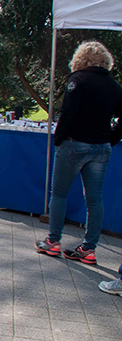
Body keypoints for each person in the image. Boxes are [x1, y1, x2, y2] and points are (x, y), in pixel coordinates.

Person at [35, 41, 122, 265]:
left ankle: (53, 241)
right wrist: (111, 138)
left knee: (59, 193)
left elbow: (68, 113)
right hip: (101, 146)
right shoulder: (114, 85)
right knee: (94, 199)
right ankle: (88, 248)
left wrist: (58, 139)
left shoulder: (78, 80)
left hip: (75, 144)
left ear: (81, 59)